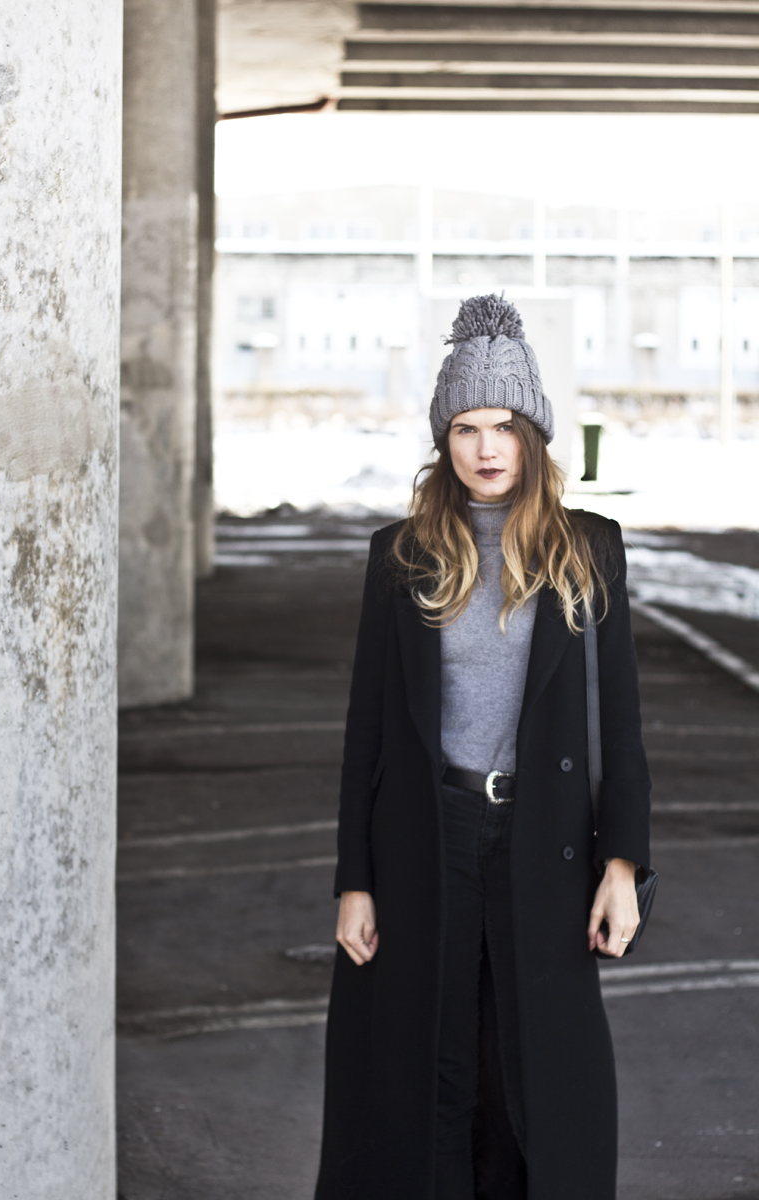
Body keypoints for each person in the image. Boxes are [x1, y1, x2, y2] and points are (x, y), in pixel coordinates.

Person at [314, 294, 651, 1200]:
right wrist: (355, 880)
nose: (486, 448)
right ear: (444, 439)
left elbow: (619, 722)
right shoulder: (401, 555)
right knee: (429, 1067)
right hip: (429, 832)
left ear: (533, 435)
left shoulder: (589, 550)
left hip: (544, 837)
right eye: (465, 428)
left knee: (532, 1072)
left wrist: (622, 865)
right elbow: (368, 729)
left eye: (504, 426)